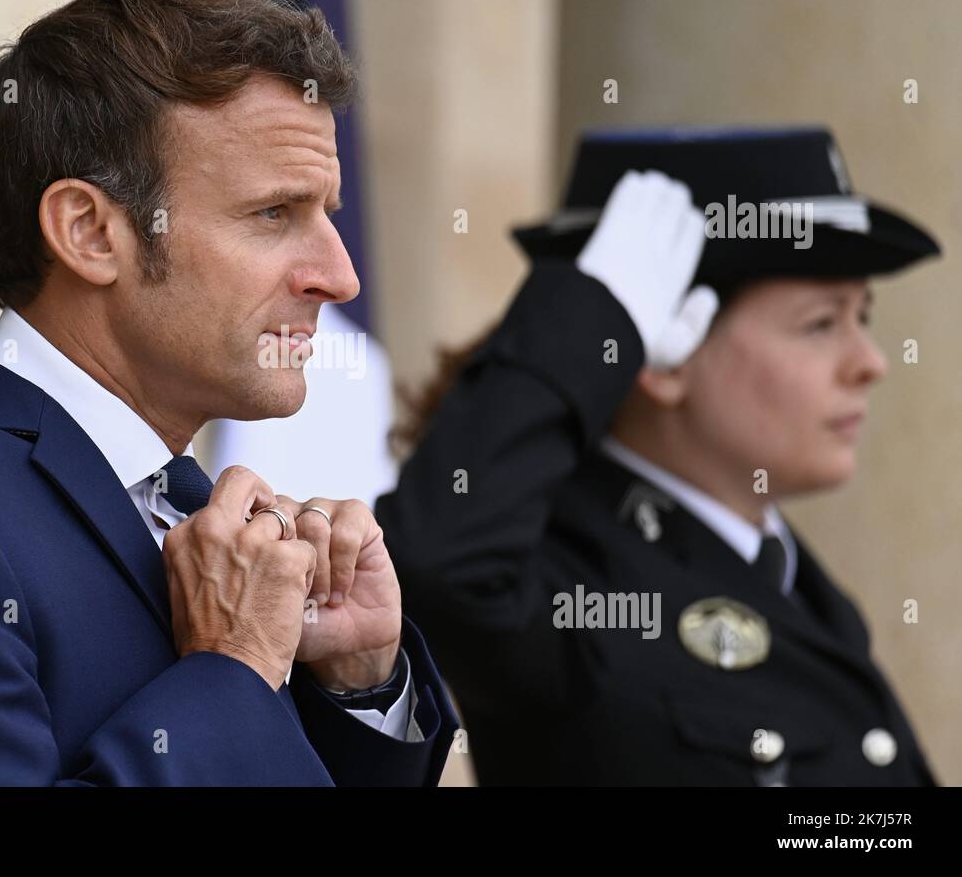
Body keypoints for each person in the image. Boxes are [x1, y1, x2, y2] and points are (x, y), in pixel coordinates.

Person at [0, 0, 461, 786]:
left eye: (330, 215)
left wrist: (359, 682)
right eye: (275, 213)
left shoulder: (207, 517)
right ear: (90, 231)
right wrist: (232, 670)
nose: (339, 277)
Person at [377, 127, 940, 785]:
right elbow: (435, 563)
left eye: (862, 317)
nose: (869, 363)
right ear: (665, 358)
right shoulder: (566, 584)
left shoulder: (794, 584)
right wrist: (595, 323)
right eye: (821, 323)